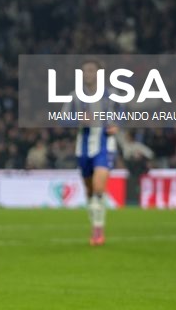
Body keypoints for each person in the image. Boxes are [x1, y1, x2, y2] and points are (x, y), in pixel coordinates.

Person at [62, 59, 120, 246]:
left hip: (104, 145)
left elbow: (122, 112)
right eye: (84, 71)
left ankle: (98, 230)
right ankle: (95, 224)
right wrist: (79, 119)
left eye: (91, 70)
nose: (87, 74)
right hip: (83, 148)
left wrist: (116, 125)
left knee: (98, 187)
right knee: (89, 191)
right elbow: (63, 119)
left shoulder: (111, 95)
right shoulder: (75, 96)